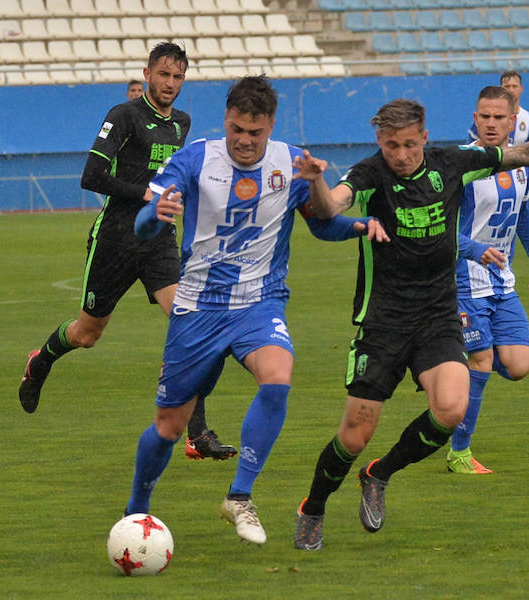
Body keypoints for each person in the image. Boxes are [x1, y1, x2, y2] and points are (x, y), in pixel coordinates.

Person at [291, 98, 529, 551]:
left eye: (409, 144)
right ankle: (314, 507)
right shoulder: (367, 175)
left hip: (438, 315)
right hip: (382, 322)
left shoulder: (453, 163)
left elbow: (528, 154)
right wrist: (317, 182)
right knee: (355, 433)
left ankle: (379, 475)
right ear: (379, 141)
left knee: (452, 409)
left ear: (424, 137)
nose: (400, 155)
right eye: (390, 145)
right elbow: (328, 208)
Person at [124, 74, 389, 546]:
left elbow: (320, 225)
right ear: (225, 121)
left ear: (270, 126)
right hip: (199, 306)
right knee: (170, 425)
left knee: (278, 376)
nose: (244, 142)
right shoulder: (196, 158)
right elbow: (145, 226)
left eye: (255, 133)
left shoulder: (291, 163)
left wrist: (356, 226)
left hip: (259, 302)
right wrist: (154, 214)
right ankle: (136, 511)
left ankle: (240, 495)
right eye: (236, 130)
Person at [18, 42, 237, 461]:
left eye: (177, 77)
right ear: (147, 73)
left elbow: (174, 177)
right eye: (163, 75)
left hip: (158, 241)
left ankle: (197, 434)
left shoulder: (182, 124)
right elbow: (92, 176)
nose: (170, 83)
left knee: (191, 323)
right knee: (87, 334)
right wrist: (147, 194)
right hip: (116, 241)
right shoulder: (123, 116)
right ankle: (40, 361)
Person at [446, 86, 529, 476]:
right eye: (483, 116)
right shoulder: (459, 165)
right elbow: (439, 229)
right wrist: (473, 250)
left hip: (500, 282)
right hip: (463, 281)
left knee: (520, 364)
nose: (490, 124)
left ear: (513, 121)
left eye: (498, 118)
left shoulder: (522, 166)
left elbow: (523, 214)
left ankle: (456, 370)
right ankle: (459, 452)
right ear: (474, 118)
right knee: (482, 360)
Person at [467, 71, 529, 146]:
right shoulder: (481, 120)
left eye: (514, 86)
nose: (511, 90)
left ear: (521, 88)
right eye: (507, 86)